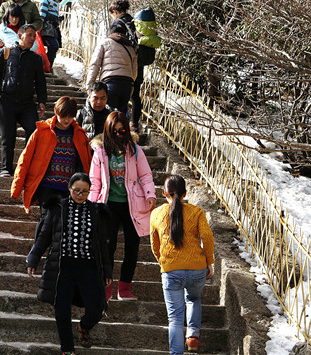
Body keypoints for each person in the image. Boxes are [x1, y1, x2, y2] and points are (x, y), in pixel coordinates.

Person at [27, 173, 112, 355]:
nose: (80, 195)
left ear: (90, 192)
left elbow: (102, 245)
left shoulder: (96, 211)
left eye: (84, 192)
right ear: (69, 189)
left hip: (89, 267)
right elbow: (44, 236)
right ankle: (68, 350)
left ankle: (83, 326)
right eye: (76, 191)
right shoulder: (58, 208)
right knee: (61, 309)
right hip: (62, 267)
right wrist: (33, 258)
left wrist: (107, 271)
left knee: (96, 309)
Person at [88, 111, 156, 301]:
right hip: (108, 204)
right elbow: (95, 181)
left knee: (132, 247)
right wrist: (94, 205)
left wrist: (150, 194)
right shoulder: (100, 151)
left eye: (122, 130)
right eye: (114, 131)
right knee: (107, 247)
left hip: (131, 204)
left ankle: (124, 288)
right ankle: (106, 287)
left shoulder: (134, 149)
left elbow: (146, 175)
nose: (119, 134)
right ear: (108, 130)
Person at [150, 174, 215, 355]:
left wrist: (164, 262)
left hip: (171, 270)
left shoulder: (156, 213)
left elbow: (155, 245)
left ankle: (176, 353)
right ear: (185, 193)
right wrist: (209, 261)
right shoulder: (196, 212)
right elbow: (207, 236)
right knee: (193, 299)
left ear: (164, 193)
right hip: (197, 268)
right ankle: (193, 336)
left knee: (175, 319)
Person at [11, 96, 92, 222]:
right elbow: (25, 159)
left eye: (70, 116)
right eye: (63, 115)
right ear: (56, 112)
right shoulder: (42, 132)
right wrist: (17, 187)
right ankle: (39, 243)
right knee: (46, 219)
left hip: (70, 188)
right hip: (47, 185)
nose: (66, 120)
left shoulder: (80, 135)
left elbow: (87, 163)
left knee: (64, 222)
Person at [0, 24, 47, 176]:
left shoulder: (35, 59)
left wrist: (42, 101)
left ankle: (27, 166)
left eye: (34, 36)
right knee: (8, 135)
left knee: (33, 130)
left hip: (27, 103)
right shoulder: (6, 52)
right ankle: (6, 168)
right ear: (20, 35)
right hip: (7, 101)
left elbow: (40, 81)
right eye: (29, 35)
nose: (32, 39)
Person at [85, 17, 137, 114]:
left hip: (110, 83)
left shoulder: (105, 43)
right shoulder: (130, 48)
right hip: (127, 85)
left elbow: (95, 65)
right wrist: (130, 83)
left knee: (108, 115)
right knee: (120, 117)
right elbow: (134, 71)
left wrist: (89, 86)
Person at [132, 7, 162, 132]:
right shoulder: (151, 30)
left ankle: (124, 122)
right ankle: (134, 123)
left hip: (131, 67)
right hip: (140, 68)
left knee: (128, 95)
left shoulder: (139, 25)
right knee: (135, 96)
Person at [40, 0, 63, 65]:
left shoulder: (57, 3)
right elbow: (42, 15)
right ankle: (45, 65)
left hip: (54, 28)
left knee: (55, 47)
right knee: (54, 46)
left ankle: (48, 66)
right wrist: (40, 26)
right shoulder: (46, 0)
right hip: (47, 28)